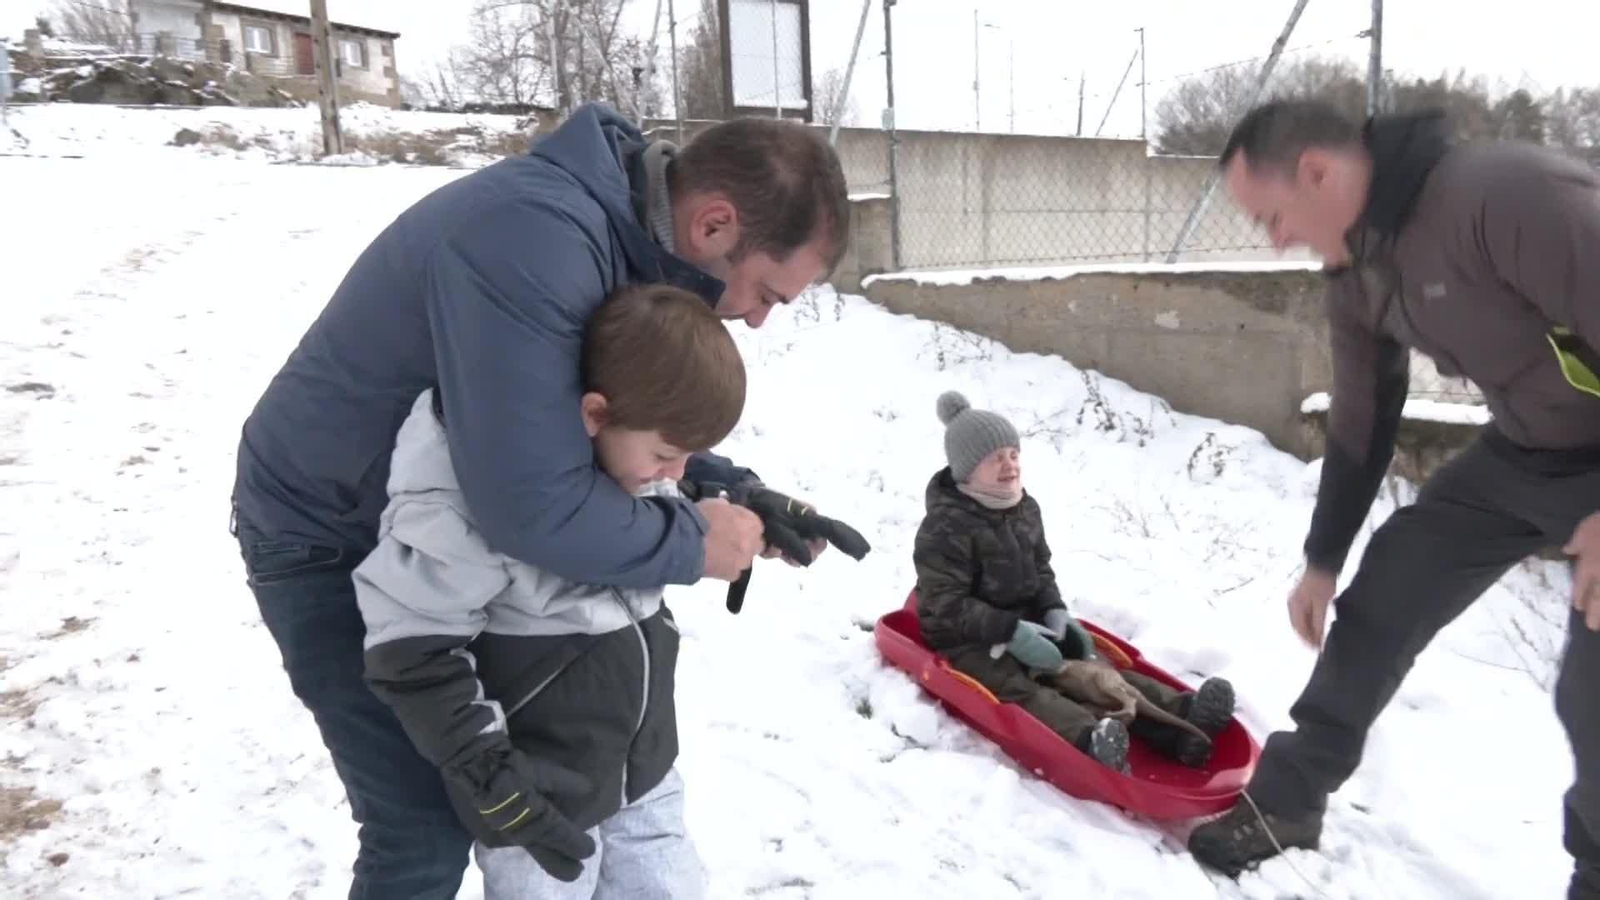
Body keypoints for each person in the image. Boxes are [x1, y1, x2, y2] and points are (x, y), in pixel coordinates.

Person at [229, 102, 850, 898]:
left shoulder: (618, 240)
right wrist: (692, 545)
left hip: (437, 531)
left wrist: (738, 492)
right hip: (331, 528)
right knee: (420, 826)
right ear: (715, 225)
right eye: (768, 291)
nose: (758, 319)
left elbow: (602, 425)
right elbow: (529, 504)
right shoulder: (536, 239)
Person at [1186, 99, 1600, 895]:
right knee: (1387, 592)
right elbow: (1361, 417)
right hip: (1524, 455)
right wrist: (1321, 560)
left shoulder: (1506, 196)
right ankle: (1288, 802)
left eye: (1272, 217)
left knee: (1593, 691)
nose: (1275, 240)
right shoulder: (1358, 271)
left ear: (1316, 172)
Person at [354, 283, 746, 897]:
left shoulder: (620, 453)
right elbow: (412, 649)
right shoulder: (470, 492)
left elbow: (666, 487)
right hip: (538, 798)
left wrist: (747, 504)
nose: (674, 476)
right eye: (667, 454)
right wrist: (493, 781)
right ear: (594, 414)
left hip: (642, 772)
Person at [911, 391, 1235, 774]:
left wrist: (1053, 610)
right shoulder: (945, 526)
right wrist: (1010, 631)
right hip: (969, 639)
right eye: (995, 458)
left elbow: (1040, 570)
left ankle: (1184, 723)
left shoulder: (1023, 507)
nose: (1009, 465)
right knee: (1020, 689)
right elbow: (944, 604)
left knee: (1095, 672)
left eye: (1013, 454)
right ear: (967, 470)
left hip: (1028, 619)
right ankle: (1089, 739)